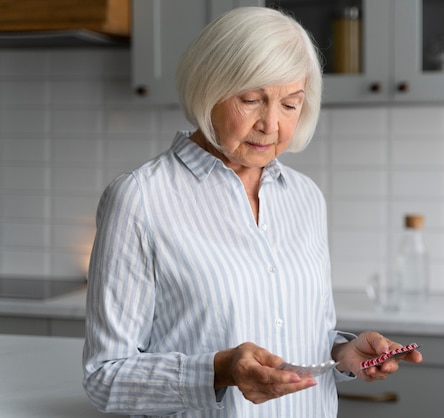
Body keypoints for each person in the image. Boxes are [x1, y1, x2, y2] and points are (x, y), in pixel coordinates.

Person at [82, 6, 422, 418]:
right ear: (208, 88)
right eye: (251, 100)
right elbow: (106, 377)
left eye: (290, 105)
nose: (271, 124)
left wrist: (343, 352)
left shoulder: (304, 197)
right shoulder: (140, 198)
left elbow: (298, 330)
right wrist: (218, 372)